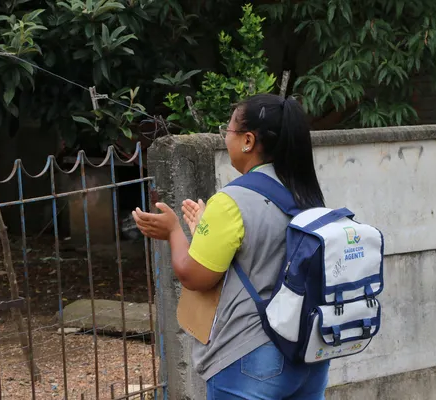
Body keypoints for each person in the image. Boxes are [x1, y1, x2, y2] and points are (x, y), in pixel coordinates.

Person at [132, 93, 329, 399]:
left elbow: (194, 275)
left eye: (229, 130)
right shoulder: (305, 193)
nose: (226, 137)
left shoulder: (232, 200)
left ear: (248, 140)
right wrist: (204, 232)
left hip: (251, 355)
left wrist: (174, 232)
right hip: (308, 352)